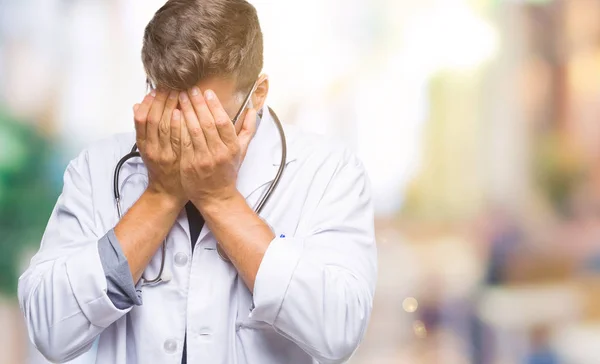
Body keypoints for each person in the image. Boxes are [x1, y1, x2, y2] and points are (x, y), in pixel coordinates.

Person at [17, 0, 377, 363]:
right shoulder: (97, 168)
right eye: (171, 110)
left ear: (258, 95)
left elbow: (339, 331)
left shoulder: (330, 171)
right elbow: (50, 329)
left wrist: (219, 199)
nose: (186, 133)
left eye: (207, 118)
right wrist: (160, 195)